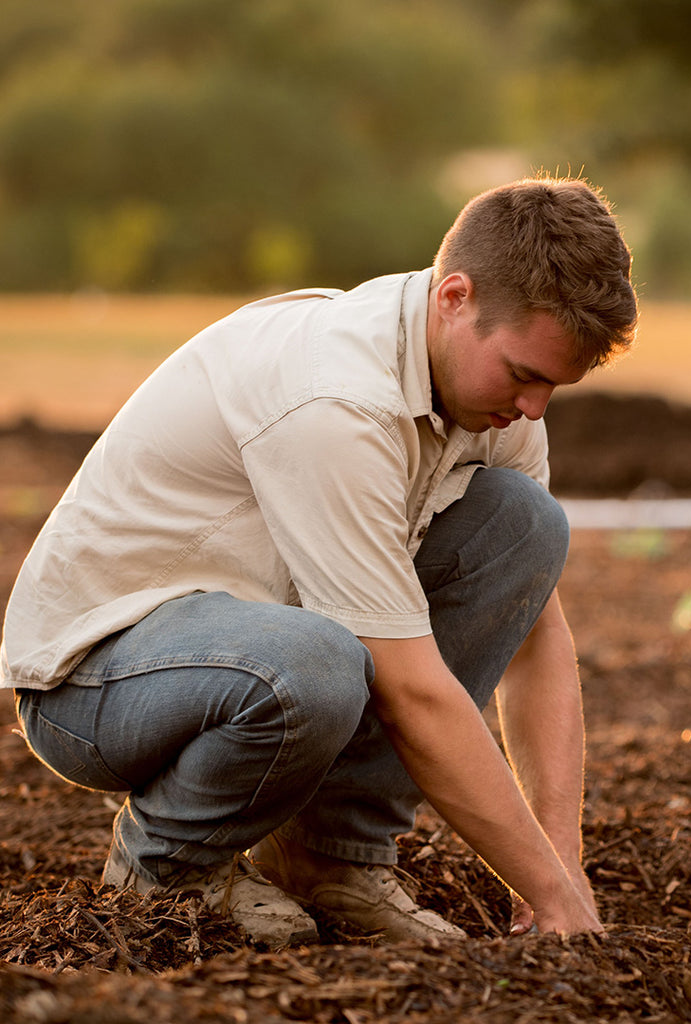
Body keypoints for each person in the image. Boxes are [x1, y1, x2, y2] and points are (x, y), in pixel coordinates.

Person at [0, 176, 638, 947]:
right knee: (318, 663)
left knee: (524, 524)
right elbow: (412, 692)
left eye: (553, 387)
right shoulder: (334, 399)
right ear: (455, 297)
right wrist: (546, 890)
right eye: (523, 374)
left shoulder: (491, 406)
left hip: (254, 643)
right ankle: (166, 866)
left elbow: (535, 640)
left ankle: (328, 857)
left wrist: (561, 875)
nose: (535, 409)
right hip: (94, 681)